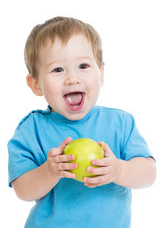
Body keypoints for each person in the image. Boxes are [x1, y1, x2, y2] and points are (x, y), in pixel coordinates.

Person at [8, 16, 156, 228]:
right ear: (35, 84)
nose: (72, 78)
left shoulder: (120, 123)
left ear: (101, 74)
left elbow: (149, 174)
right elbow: (23, 190)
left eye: (83, 66)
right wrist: (49, 172)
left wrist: (119, 170)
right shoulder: (31, 130)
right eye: (58, 70)